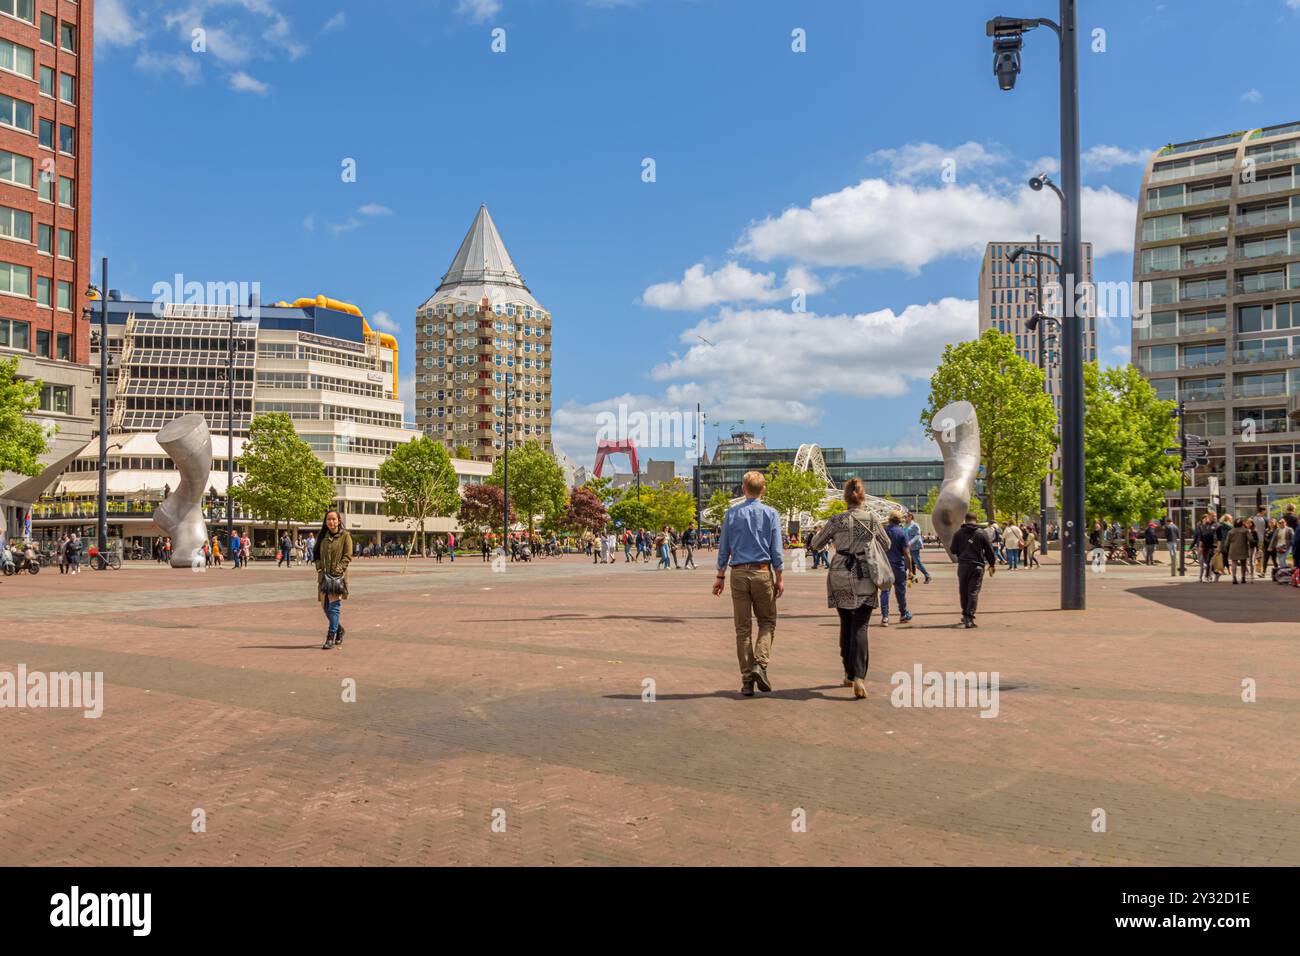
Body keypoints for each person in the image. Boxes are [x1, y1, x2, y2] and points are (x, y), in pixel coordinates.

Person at [809, 478, 889, 700]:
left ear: (845, 497)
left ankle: (848, 673)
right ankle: (860, 677)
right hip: (865, 574)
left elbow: (816, 544)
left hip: (840, 573)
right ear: (863, 497)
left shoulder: (836, 520)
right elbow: (887, 544)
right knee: (861, 626)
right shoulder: (872, 519)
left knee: (846, 623)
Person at [712, 470, 783, 698]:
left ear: (743, 489)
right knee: (767, 621)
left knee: (742, 629)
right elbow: (777, 550)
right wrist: (779, 577)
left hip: (738, 573)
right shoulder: (771, 514)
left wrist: (720, 576)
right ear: (763, 489)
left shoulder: (732, 514)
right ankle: (760, 665)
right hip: (762, 572)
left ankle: (746, 681)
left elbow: (724, 548)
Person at [314, 509, 352, 649]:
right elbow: (316, 554)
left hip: (337, 577)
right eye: (328, 519)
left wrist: (339, 568)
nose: (331, 522)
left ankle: (330, 636)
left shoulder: (345, 536)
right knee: (325, 607)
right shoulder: (322, 536)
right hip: (324, 576)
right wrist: (318, 566)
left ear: (338, 520)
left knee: (334, 607)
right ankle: (339, 629)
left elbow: (347, 556)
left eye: (334, 519)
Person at [951, 513, 996, 627]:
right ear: (976, 520)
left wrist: (962, 552)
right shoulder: (981, 533)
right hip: (977, 566)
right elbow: (989, 550)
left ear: (965, 520)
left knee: (963, 591)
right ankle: (969, 617)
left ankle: (965, 614)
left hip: (963, 566)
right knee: (973, 592)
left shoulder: (958, 533)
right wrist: (992, 564)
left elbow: (953, 550)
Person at [878, 511, 914, 626]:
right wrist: (911, 570)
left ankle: (885, 617)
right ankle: (903, 614)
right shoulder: (902, 533)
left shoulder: (883, 531)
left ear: (889, 519)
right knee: (900, 592)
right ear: (900, 521)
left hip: (884, 565)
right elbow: (907, 554)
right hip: (898, 566)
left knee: (885, 591)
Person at [904, 511, 931, 584]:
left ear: (910, 517)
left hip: (914, 547)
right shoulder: (905, 525)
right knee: (907, 562)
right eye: (904, 517)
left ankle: (927, 576)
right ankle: (912, 577)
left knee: (917, 563)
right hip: (907, 547)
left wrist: (910, 542)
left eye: (905, 517)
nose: (904, 518)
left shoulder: (915, 525)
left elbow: (917, 535)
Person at [1226, 518, 1251, 585]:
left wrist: (1226, 548)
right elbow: (1250, 539)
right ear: (1242, 523)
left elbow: (1227, 542)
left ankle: (1234, 577)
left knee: (1234, 563)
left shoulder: (1230, 531)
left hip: (1233, 548)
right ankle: (1243, 577)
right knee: (1243, 563)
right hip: (1243, 548)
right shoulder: (1245, 531)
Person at [1196, 514, 1219, 582]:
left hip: (1212, 547)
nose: (1206, 520)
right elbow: (1199, 538)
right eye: (1204, 518)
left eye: (1207, 518)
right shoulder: (1201, 527)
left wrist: (1218, 546)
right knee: (1205, 563)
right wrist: (1199, 546)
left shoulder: (1215, 526)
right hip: (1204, 547)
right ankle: (1202, 576)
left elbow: (1218, 537)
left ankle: (1209, 575)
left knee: (1210, 563)